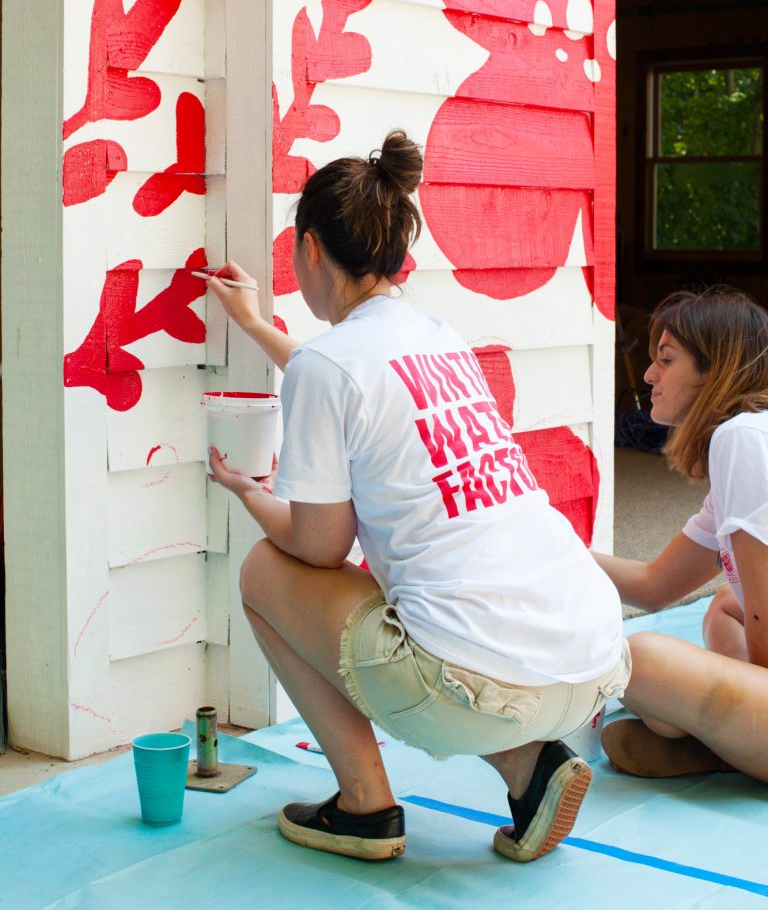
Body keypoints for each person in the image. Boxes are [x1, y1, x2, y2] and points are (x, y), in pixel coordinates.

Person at [204, 129, 629, 863]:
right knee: (451, 617)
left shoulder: (331, 366)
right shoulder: (436, 337)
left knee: (264, 573)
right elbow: (341, 376)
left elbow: (317, 546)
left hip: (475, 684)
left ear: (309, 249)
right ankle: (531, 768)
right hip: (593, 666)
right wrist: (254, 326)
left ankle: (364, 806)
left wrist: (248, 492)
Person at [595, 286, 768, 782]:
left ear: (714, 370)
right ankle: (726, 744)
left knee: (638, 658)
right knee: (722, 608)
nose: (649, 374)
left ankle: (728, 746)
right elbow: (654, 586)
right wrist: (546, 543)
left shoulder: (744, 439)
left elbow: (764, 613)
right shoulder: (743, 442)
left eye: (665, 360)